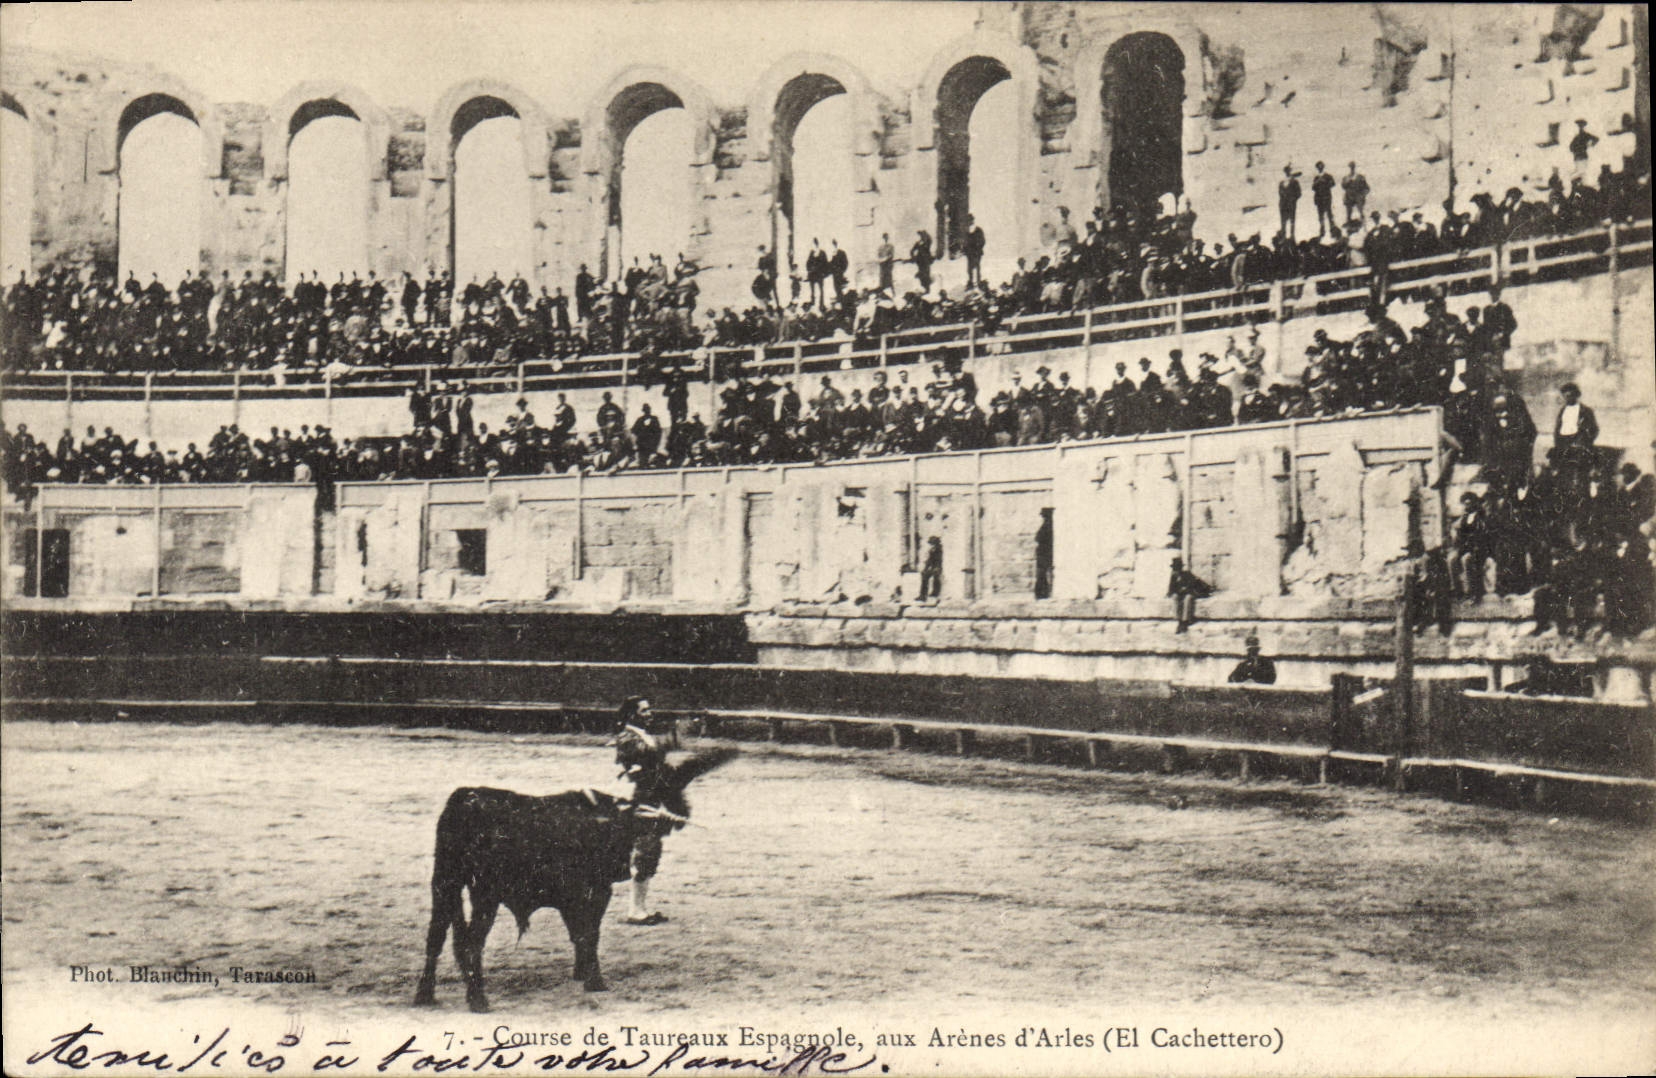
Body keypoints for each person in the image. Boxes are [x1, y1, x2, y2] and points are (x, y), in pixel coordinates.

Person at [612, 696, 678, 926]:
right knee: (644, 853)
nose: (649, 714)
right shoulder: (628, 737)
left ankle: (640, 908)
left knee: (650, 853)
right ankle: (635, 910)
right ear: (632, 715)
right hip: (636, 802)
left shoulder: (640, 735)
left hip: (647, 798)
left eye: (649, 709)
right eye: (644, 711)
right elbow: (648, 759)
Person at [1168, 557, 1214, 632]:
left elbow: (1193, 585)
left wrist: (1184, 589)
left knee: (1188, 598)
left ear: (1180, 569)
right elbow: (1171, 589)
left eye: (1177, 569)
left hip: (1189, 593)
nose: (1175, 571)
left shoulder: (1187, 574)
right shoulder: (1173, 577)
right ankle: (1179, 620)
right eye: (1174, 569)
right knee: (1175, 597)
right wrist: (1175, 593)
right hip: (1180, 594)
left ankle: (1185, 621)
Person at [1311, 162, 1337, 237]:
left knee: (1329, 213)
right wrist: (1317, 182)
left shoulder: (1327, 176)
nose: (1320, 168)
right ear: (1317, 168)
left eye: (1321, 166)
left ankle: (1332, 228)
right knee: (1320, 214)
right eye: (1319, 167)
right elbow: (1313, 188)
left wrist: (1325, 182)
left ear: (1323, 167)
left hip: (1326, 197)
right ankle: (1322, 228)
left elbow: (1333, 184)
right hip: (1319, 198)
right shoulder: (1316, 177)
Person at [1277, 165, 1302, 242]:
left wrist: (1293, 199)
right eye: (1286, 171)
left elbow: (1299, 193)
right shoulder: (1282, 182)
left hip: (1291, 204)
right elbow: (1280, 192)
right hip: (1283, 204)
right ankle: (1283, 236)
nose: (1287, 172)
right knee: (1283, 221)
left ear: (1290, 171)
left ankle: (1292, 235)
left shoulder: (1294, 181)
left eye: (1288, 170)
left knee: (1292, 220)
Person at [963, 215, 986, 288]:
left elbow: (982, 241)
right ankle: (971, 283)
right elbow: (964, 243)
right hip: (970, 254)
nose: (969, 222)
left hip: (976, 253)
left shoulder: (978, 230)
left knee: (976, 268)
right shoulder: (966, 231)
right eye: (968, 221)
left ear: (972, 221)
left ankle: (978, 283)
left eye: (970, 220)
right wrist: (965, 250)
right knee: (970, 269)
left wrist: (977, 247)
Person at [919, 535, 943, 602]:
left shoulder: (939, 549)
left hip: (937, 568)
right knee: (924, 576)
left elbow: (939, 560)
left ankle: (935, 593)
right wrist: (925, 568)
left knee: (936, 578)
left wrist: (937, 568)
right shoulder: (932, 550)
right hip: (933, 567)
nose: (931, 545)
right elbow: (929, 560)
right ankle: (923, 595)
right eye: (931, 543)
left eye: (932, 543)